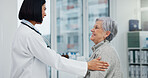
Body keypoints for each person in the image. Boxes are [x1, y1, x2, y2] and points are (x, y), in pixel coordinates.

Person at [10, 0, 109, 78]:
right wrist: (86, 66)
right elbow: (55, 61)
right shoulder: (29, 35)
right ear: (35, 9)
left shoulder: (24, 31)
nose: (45, 14)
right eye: (44, 9)